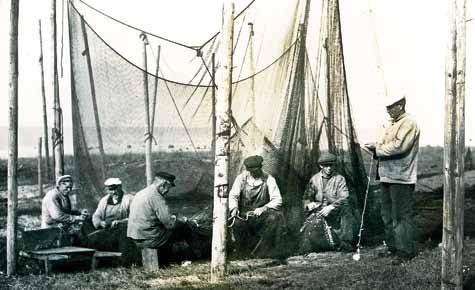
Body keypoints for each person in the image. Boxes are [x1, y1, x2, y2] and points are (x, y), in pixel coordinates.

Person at [364, 95, 420, 261]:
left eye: (391, 106)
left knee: (401, 215)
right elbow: (385, 145)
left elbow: (399, 147)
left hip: (402, 177)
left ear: (401, 105)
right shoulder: (390, 123)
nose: (387, 110)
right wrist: (374, 148)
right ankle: (392, 247)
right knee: (387, 215)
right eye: (387, 107)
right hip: (387, 176)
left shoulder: (409, 122)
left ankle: (405, 252)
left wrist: (377, 148)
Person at [127, 172, 204, 264]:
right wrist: (183, 220)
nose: (167, 191)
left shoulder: (141, 193)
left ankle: (174, 255)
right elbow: (169, 224)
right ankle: (199, 256)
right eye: (169, 187)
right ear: (164, 184)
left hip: (136, 237)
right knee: (186, 227)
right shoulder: (156, 197)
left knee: (171, 228)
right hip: (150, 239)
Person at [228, 155, 285, 257]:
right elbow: (233, 196)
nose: (254, 173)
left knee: (274, 218)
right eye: (251, 171)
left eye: (256, 171)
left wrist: (264, 208)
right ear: (247, 169)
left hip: (261, 215)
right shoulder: (241, 179)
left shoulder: (269, 179)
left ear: (261, 167)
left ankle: (263, 252)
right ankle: (242, 253)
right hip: (244, 215)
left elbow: (278, 199)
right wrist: (234, 208)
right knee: (237, 224)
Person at [300, 152, 356, 253]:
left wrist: (331, 207)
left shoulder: (339, 179)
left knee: (347, 208)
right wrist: (309, 204)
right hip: (319, 210)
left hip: (335, 210)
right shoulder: (314, 179)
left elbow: (345, 197)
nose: (329, 168)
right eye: (326, 165)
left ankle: (346, 243)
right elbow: (306, 197)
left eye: (331, 165)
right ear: (321, 166)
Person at [88, 177, 138, 263]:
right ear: (107, 190)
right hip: (107, 231)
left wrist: (121, 222)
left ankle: (126, 262)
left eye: (116, 189)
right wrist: (100, 222)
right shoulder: (104, 200)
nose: (114, 192)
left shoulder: (129, 199)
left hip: (124, 231)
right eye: (111, 190)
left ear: (120, 187)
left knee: (124, 237)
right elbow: (96, 215)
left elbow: (135, 217)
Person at [41, 174, 90, 245]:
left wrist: (80, 212)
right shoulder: (52, 196)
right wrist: (77, 218)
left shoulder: (64, 195)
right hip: (51, 229)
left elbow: (67, 212)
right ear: (59, 185)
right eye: (67, 187)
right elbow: (57, 215)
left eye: (70, 188)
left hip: (62, 227)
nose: (69, 190)